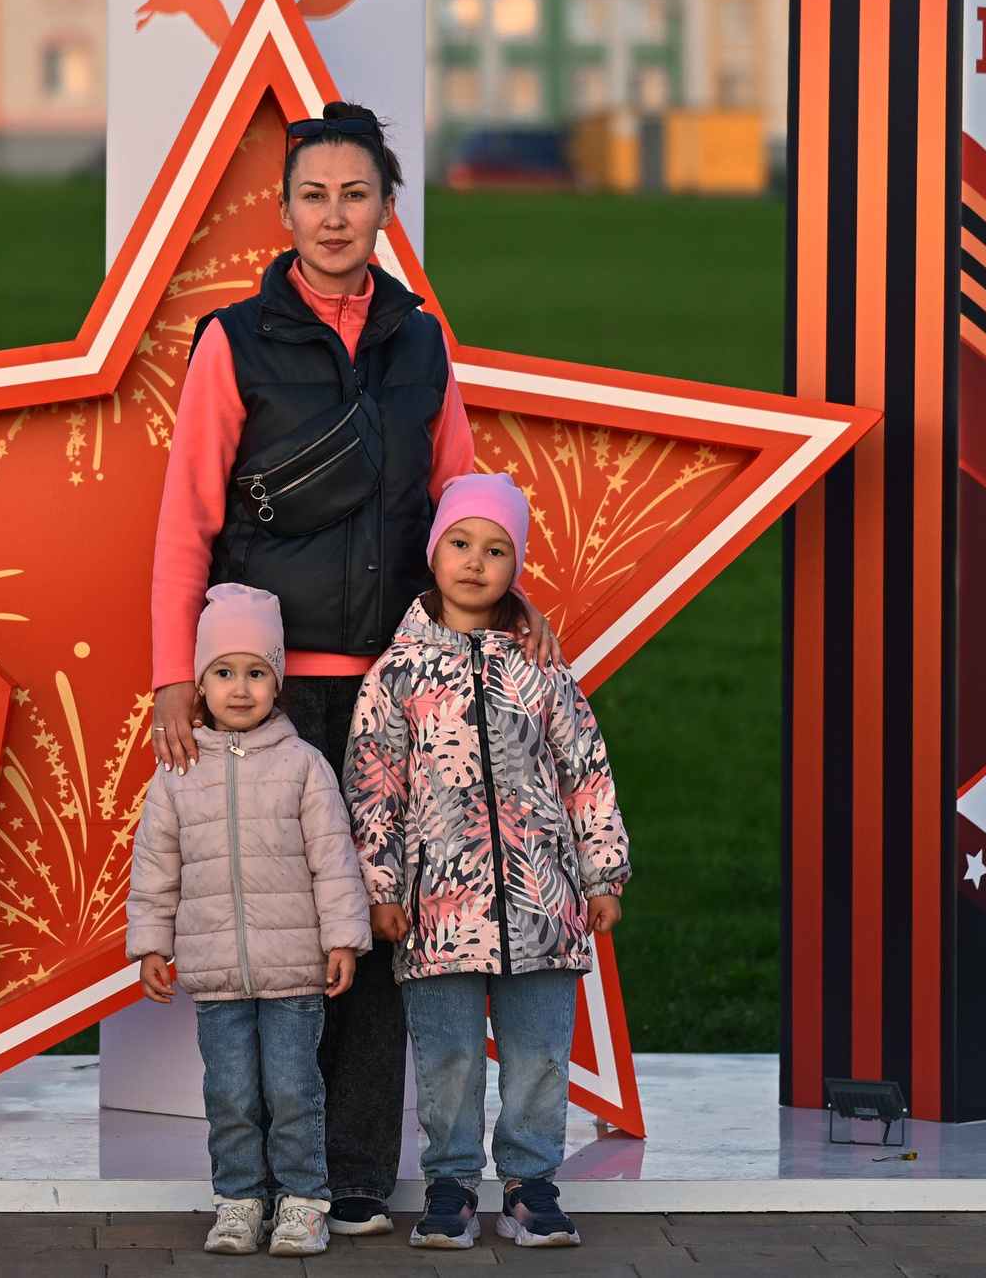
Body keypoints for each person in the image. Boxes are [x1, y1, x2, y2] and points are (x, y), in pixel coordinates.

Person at [148, 101, 559, 1233]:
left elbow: (461, 506)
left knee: (378, 928)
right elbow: (187, 519)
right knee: (284, 928)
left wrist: (506, 609)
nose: (334, 216)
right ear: (283, 211)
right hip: (269, 698)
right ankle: (265, 1177)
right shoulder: (234, 342)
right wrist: (175, 674)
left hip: (400, 687)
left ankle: (357, 1175)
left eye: (357, 194)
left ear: (386, 208)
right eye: (313, 195)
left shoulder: (421, 341)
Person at [346, 473, 631, 1251]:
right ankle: (452, 1185)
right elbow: (373, 787)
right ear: (434, 551)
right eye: (461, 543)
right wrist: (382, 887)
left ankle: (531, 1186)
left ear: (517, 564)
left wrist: (602, 872)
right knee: (450, 1058)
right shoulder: (396, 674)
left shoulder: (541, 668)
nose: (475, 561)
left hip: (544, 909)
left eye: (497, 549)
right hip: (437, 915)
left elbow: (585, 771)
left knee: (539, 1055)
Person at [127, 584, 371, 1257]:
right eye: (224, 672)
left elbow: (334, 859)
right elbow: (156, 867)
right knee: (231, 1092)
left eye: (257, 672)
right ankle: (238, 1201)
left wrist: (343, 938)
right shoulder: (177, 775)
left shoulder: (303, 766)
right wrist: (151, 945)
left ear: (278, 682)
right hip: (215, 974)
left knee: (293, 1089)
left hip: (294, 971)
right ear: (200, 684)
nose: (240, 688)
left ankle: (303, 1202)